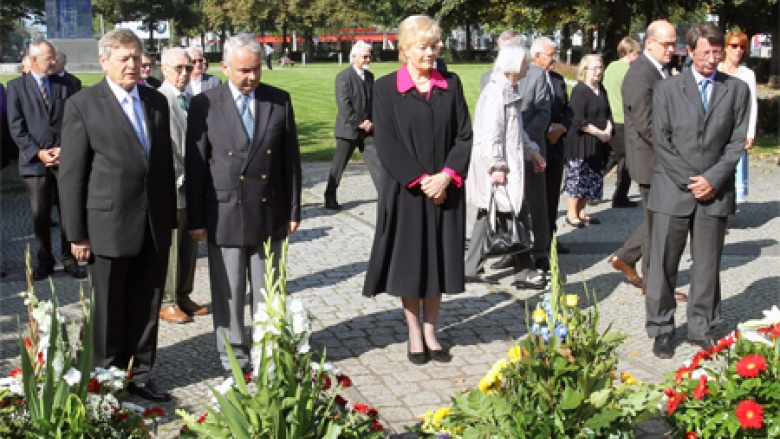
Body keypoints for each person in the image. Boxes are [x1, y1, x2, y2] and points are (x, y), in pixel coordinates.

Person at [59, 29, 178, 402]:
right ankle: (106, 379)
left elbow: (159, 166)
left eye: (137, 57)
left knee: (148, 302)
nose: (132, 65)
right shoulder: (83, 105)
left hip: (154, 224)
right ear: (104, 61)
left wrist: (168, 218)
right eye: (124, 58)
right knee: (109, 308)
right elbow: (73, 174)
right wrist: (77, 234)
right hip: (107, 225)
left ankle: (139, 374)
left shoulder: (156, 101)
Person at [186, 33, 302, 374]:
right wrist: (196, 218)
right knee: (230, 293)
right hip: (224, 212)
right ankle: (234, 357)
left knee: (269, 291)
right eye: (242, 70)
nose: (250, 77)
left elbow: (290, 161)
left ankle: (269, 349)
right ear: (224, 67)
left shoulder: (278, 101)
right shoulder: (205, 103)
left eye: (255, 70)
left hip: (270, 211)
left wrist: (294, 209)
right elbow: (196, 167)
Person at [362, 15, 472, 365]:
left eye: (435, 46)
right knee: (412, 264)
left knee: (438, 261)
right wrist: (422, 180)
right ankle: (413, 332)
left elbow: (465, 136)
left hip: (446, 190)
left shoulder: (451, 85)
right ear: (405, 49)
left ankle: (431, 331)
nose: (430, 53)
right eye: (423, 46)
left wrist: (446, 176)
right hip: (408, 193)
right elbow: (387, 142)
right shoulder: (384, 89)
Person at [645, 22, 749, 358]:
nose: (711, 59)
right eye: (705, 52)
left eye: (717, 53)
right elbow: (661, 140)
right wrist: (692, 179)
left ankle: (701, 325)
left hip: (714, 191)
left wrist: (713, 179)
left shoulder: (736, 90)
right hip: (673, 188)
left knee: (707, 264)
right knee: (663, 262)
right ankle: (661, 328)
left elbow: (736, 143)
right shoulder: (667, 90)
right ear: (689, 52)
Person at [607, 20, 686, 296]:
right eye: (666, 44)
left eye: (674, 43)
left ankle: (628, 258)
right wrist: (677, 154)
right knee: (659, 225)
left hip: (660, 159)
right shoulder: (641, 75)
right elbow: (647, 125)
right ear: (649, 43)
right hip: (652, 162)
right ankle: (655, 286)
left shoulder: (659, 70)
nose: (672, 49)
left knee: (657, 220)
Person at [464, 43, 546, 283]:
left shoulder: (508, 89)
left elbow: (516, 131)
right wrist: (497, 165)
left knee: (491, 212)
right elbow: (492, 133)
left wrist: (533, 152)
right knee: (513, 211)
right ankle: (524, 270)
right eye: (525, 63)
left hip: (506, 162)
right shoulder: (496, 92)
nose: (528, 67)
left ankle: (471, 267)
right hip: (500, 164)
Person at [6, 39, 85, 281]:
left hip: (65, 159)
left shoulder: (67, 84)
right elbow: (16, 126)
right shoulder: (16, 87)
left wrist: (64, 148)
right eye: (48, 58)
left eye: (54, 57)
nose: (53, 62)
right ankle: (44, 260)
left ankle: (69, 258)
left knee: (68, 210)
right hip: (34, 162)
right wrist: (38, 152)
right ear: (32, 60)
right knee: (40, 214)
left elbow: (75, 121)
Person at [490, 36, 553, 285]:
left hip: (528, 151)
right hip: (504, 159)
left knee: (534, 204)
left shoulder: (534, 77)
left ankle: (537, 253)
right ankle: (513, 255)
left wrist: (528, 147)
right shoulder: (493, 82)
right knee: (508, 208)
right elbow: (492, 126)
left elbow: (541, 113)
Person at [157, 47, 209, 324]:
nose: (184, 73)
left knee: (191, 242)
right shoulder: (160, 100)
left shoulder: (191, 99)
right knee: (174, 246)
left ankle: (183, 293)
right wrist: (179, 177)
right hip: (174, 184)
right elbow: (163, 147)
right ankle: (168, 299)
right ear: (164, 69)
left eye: (188, 68)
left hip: (195, 185)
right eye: (178, 68)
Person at [324, 40, 382, 210]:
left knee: (377, 163)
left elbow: (374, 102)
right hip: (348, 131)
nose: (368, 60)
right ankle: (330, 197)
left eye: (369, 56)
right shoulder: (343, 77)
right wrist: (358, 123)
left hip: (368, 131)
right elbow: (344, 105)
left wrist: (371, 122)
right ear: (354, 56)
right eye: (364, 56)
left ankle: (385, 195)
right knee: (338, 166)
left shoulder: (370, 77)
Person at [562, 54, 611, 227]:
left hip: (598, 142)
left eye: (600, 67)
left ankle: (582, 212)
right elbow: (577, 120)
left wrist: (608, 130)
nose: (598, 71)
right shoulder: (580, 90)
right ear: (585, 70)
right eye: (595, 68)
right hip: (581, 142)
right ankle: (571, 213)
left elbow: (607, 113)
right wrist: (599, 133)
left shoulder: (601, 88)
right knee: (578, 178)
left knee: (591, 178)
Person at [718, 30, 758, 203]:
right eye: (734, 45)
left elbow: (752, 104)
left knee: (734, 169)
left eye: (742, 47)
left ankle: (727, 209)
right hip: (717, 128)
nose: (738, 50)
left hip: (737, 129)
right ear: (726, 47)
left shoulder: (747, 74)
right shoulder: (716, 70)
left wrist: (750, 132)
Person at [602, 37, 641, 208]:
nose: (639, 57)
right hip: (623, 118)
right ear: (630, 53)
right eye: (638, 53)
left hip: (611, 117)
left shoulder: (611, 67)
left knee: (613, 156)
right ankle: (620, 195)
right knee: (626, 157)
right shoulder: (628, 71)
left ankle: (592, 185)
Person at [544, 45, 572, 254]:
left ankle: (551, 238)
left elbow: (568, 110)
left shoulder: (558, 80)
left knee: (553, 195)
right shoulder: (528, 78)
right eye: (551, 54)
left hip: (556, 145)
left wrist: (562, 127)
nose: (555, 58)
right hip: (536, 144)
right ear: (537, 56)